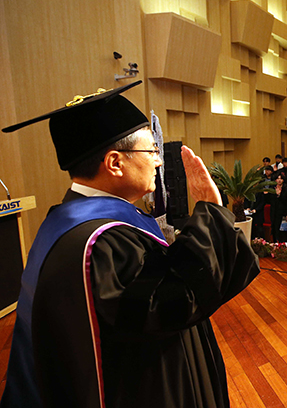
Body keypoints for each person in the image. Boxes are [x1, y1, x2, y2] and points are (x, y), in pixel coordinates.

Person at [0, 81, 259, 408]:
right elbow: (171, 301)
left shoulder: (63, 223)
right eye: (151, 150)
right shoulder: (101, 243)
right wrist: (211, 210)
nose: (158, 161)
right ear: (115, 163)